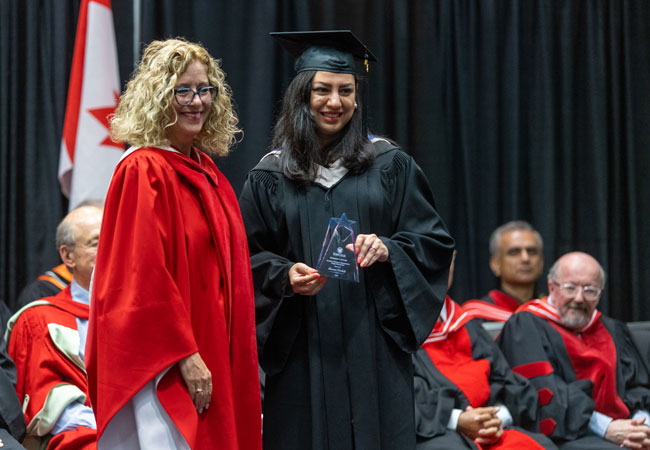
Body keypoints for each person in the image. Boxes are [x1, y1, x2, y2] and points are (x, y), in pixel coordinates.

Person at [239, 30, 455, 450]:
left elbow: (433, 241)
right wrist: (284, 276)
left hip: (372, 342)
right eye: (322, 90)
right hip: (302, 345)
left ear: (357, 97)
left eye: (345, 90)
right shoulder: (269, 176)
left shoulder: (391, 165)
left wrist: (391, 249)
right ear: (302, 95)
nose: (334, 102)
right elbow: (241, 257)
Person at [86, 38, 261, 450]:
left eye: (204, 89)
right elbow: (141, 278)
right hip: (167, 364)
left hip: (215, 351)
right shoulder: (143, 169)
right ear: (159, 97)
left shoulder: (209, 174)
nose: (196, 101)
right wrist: (186, 355)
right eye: (182, 90)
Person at [497, 252, 650, 449]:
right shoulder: (525, 327)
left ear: (600, 293)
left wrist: (642, 425)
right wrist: (607, 427)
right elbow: (543, 395)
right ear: (552, 287)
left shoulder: (612, 330)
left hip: (627, 428)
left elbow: (637, 385)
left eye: (589, 290)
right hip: (569, 435)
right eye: (570, 288)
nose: (579, 298)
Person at [414, 251, 557, 449]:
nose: (440, 268)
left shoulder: (464, 323)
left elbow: (507, 381)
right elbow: (398, 399)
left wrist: (496, 418)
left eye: (447, 259)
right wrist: (458, 420)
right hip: (438, 432)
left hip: (492, 426)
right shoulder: (394, 328)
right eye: (430, 258)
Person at [6, 205, 102, 449]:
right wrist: (109, 425)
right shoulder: (39, 319)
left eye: (114, 237)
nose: (110, 248)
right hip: (82, 435)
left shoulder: (143, 312)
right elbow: (45, 402)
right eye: (95, 243)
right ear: (68, 256)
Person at [462, 221, 544, 322]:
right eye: (514, 252)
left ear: (541, 262)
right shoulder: (474, 316)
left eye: (532, 252)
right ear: (495, 264)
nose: (525, 258)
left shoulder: (552, 311)